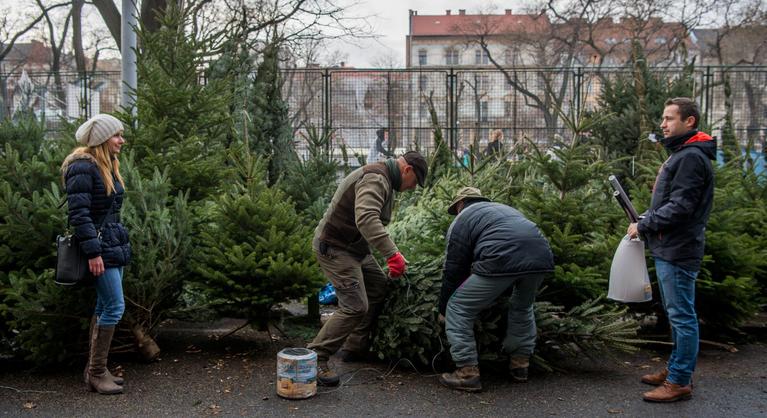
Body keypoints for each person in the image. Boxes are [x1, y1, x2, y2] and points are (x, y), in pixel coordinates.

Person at [308, 151, 428, 386]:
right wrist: (393, 255)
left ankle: (354, 346)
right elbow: (366, 218)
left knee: (377, 286)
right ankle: (315, 359)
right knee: (355, 306)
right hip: (335, 248)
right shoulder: (376, 178)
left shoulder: (386, 179)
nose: (413, 188)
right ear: (407, 170)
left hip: (355, 250)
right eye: (415, 183)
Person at [627, 97, 715, 403]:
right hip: (671, 246)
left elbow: (681, 207)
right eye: (663, 118)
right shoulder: (685, 153)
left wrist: (646, 224)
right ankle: (679, 369)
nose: (662, 124)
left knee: (681, 316)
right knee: (678, 313)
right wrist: (647, 219)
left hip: (678, 249)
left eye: (668, 118)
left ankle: (679, 381)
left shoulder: (690, 157)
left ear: (689, 121)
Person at [438, 187, 554, 393]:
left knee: (457, 308)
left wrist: (443, 307)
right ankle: (520, 365)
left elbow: (454, 268)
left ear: (460, 204)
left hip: (502, 259)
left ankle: (467, 372)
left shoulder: (463, 218)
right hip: (541, 256)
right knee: (522, 306)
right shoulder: (504, 209)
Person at [61, 114, 131, 395]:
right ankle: (97, 371)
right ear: (102, 139)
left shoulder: (108, 164)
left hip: (112, 242)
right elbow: (79, 214)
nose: (122, 141)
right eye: (117, 135)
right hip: (99, 246)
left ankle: (94, 370)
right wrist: (93, 252)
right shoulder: (82, 167)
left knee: (104, 306)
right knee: (115, 306)